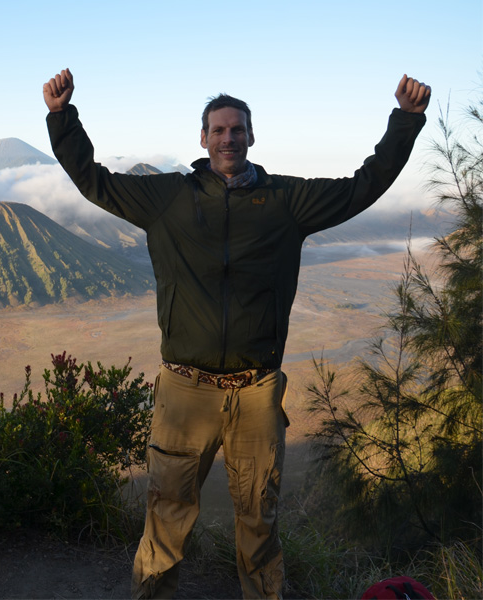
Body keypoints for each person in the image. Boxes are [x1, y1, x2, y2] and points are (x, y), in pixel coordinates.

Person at [43, 69, 430, 599]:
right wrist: (62, 116)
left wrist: (405, 122)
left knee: (259, 522)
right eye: (219, 130)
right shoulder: (167, 198)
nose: (229, 138)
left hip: (256, 390)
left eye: (238, 129)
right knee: (166, 518)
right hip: (184, 389)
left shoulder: (286, 202)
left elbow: (363, 187)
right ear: (203, 139)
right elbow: (94, 180)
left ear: (251, 136)